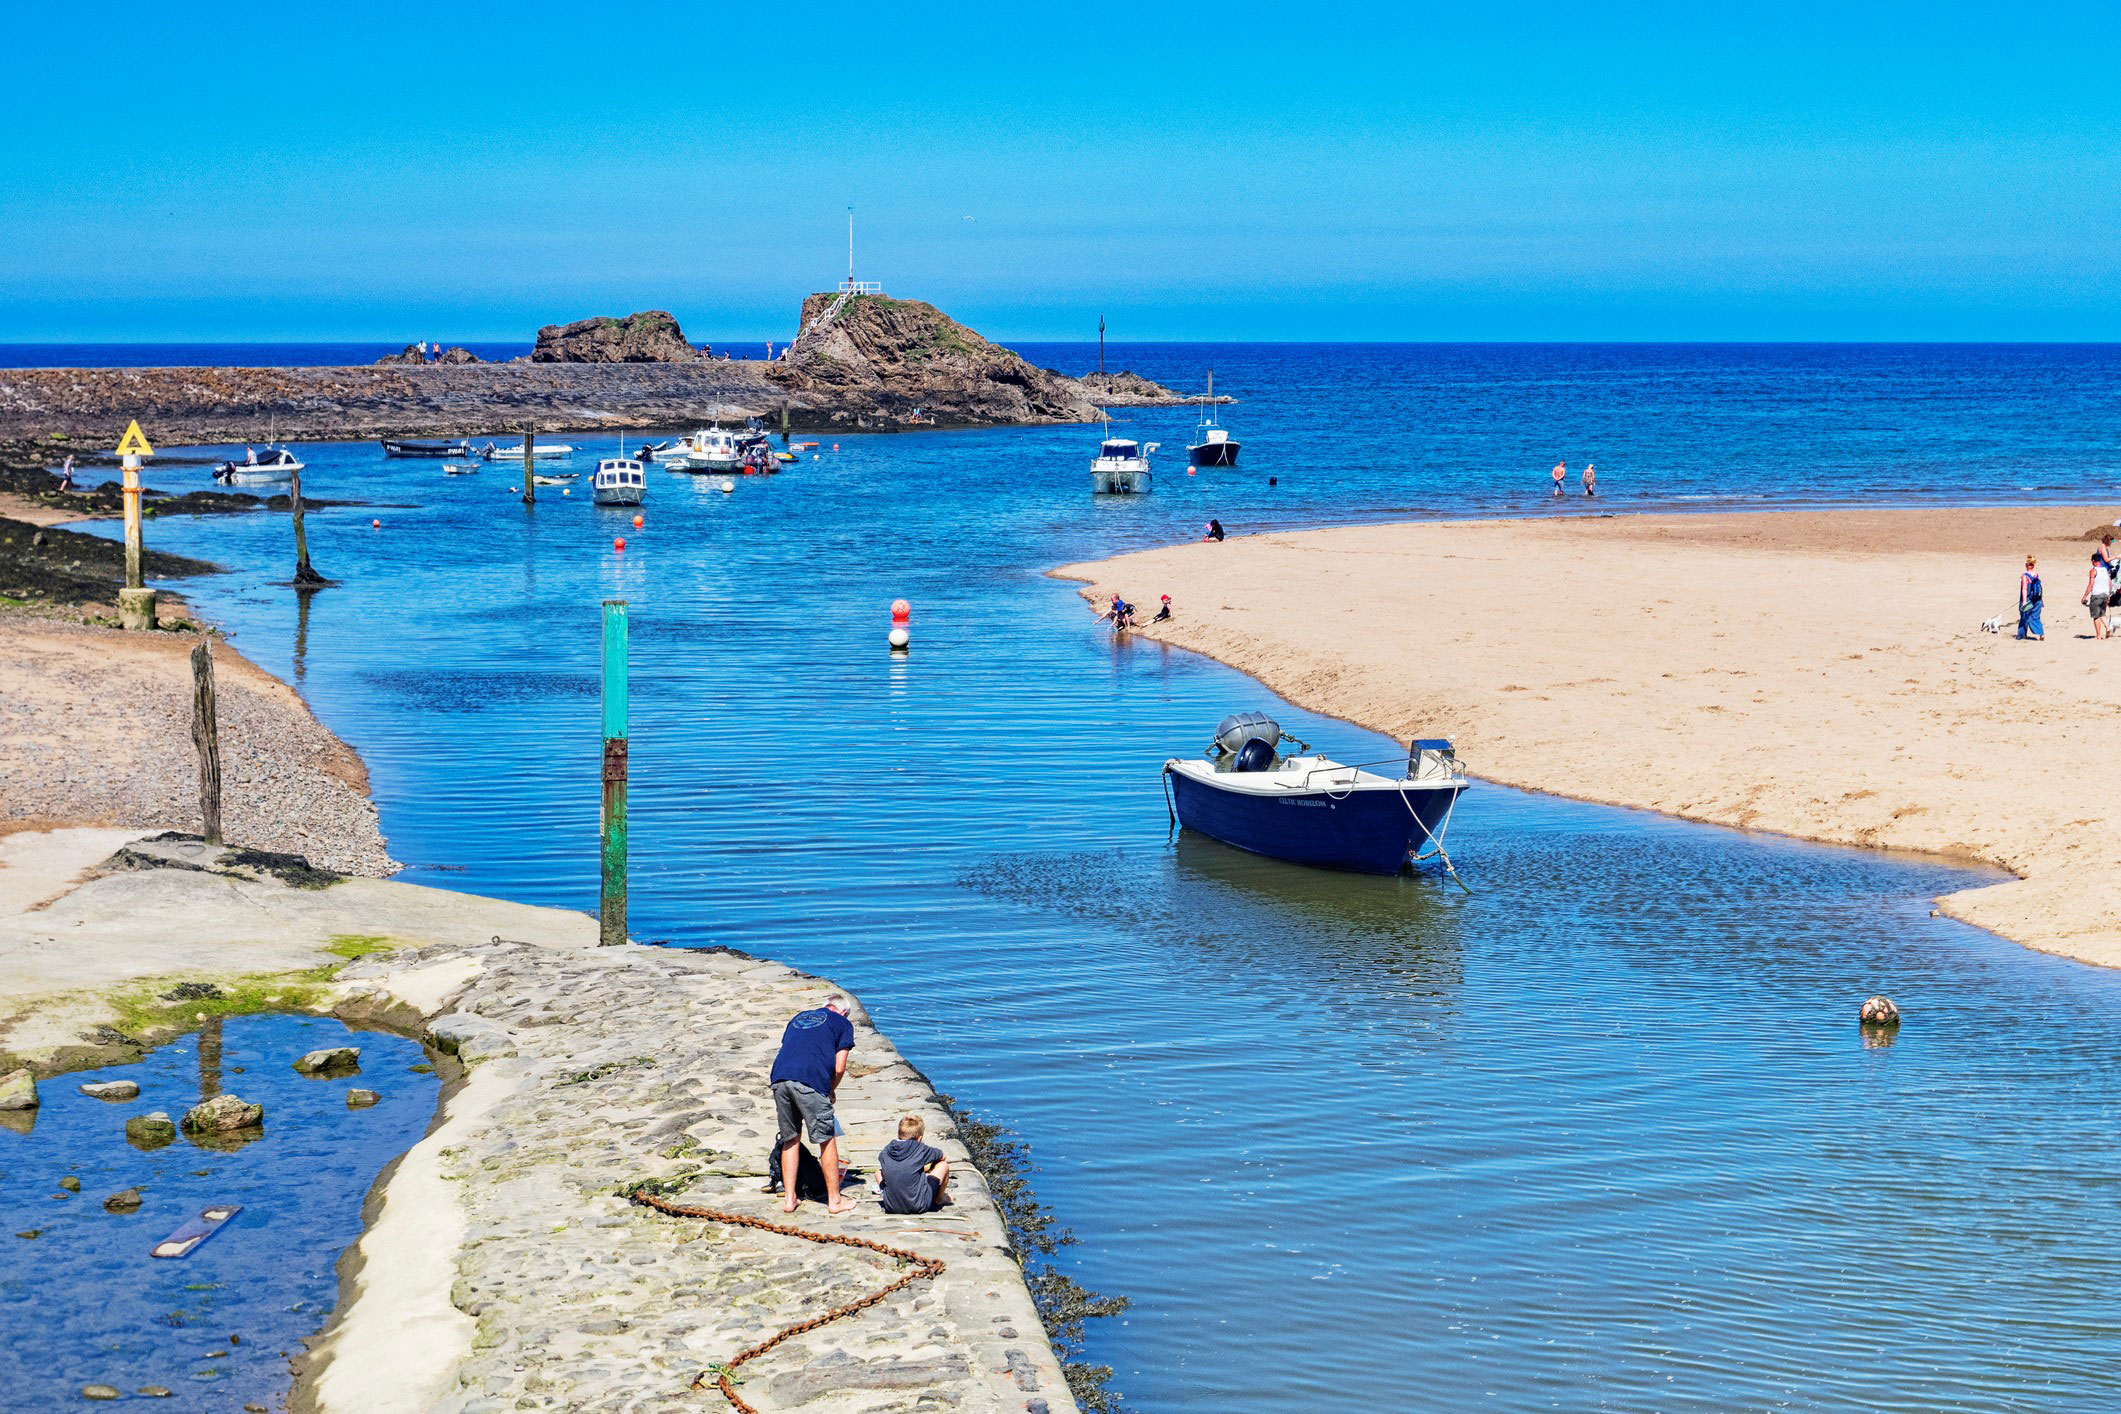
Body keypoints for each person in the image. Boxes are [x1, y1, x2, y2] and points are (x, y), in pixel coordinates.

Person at [768, 995, 857, 1215]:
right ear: (844, 1012)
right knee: (826, 1140)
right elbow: (839, 1067)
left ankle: (790, 1199)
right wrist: (831, 1090)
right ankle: (835, 1201)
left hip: (779, 1078)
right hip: (810, 1081)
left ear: (826, 1006)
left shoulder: (799, 1017)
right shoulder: (843, 1023)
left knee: (790, 1139)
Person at [877, 1115, 951, 1214]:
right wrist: (928, 1166)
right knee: (943, 1165)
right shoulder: (920, 1148)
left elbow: (896, 1166)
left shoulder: (886, 1150)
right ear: (919, 1138)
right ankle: (939, 1199)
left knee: (878, 1172)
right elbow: (942, 1156)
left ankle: (890, 1194)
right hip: (919, 1205)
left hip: (891, 1206)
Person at [2086, 540, 2114, 640]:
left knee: (2096, 616)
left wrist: (2084, 596)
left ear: (2093, 561)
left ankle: (2098, 635)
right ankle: (2107, 627)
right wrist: (2109, 595)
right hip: (2105, 594)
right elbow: (2110, 583)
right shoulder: (2106, 571)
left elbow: (2090, 585)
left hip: (2096, 595)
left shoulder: (2093, 571)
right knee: (2102, 614)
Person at [2019, 556, 2044, 641]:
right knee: (2036, 617)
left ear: (2027, 564)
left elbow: (2024, 589)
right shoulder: (2036, 574)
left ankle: (2021, 635)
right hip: (2037, 599)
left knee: (2024, 616)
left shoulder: (2025, 576)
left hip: (2029, 600)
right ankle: (2041, 634)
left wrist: (2024, 602)